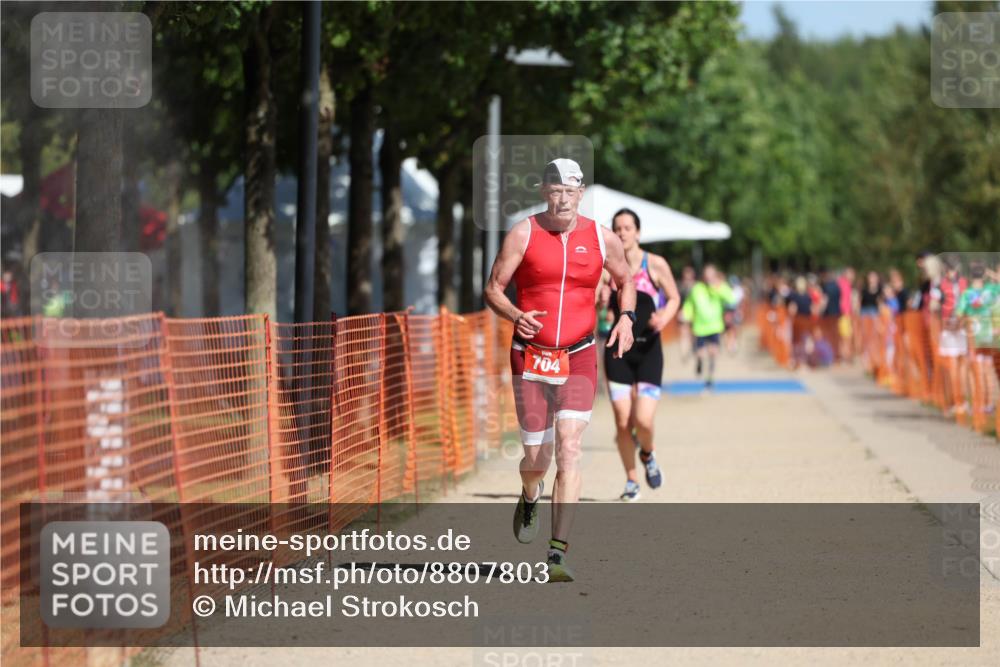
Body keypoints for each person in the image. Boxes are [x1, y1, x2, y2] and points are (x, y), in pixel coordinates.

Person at [484, 158, 635, 582]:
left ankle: (556, 554)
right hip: (530, 355)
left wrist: (626, 318)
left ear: (580, 193)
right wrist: (515, 314)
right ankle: (530, 493)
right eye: (555, 191)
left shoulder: (602, 238)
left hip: (579, 355)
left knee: (569, 448)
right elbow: (493, 288)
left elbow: (626, 281)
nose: (563, 199)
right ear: (544, 192)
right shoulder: (524, 233)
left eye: (570, 191)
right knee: (537, 458)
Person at [597, 208, 680, 502]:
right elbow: (594, 304)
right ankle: (631, 480)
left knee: (642, 421)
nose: (622, 233)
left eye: (627, 228)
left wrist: (664, 318)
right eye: (617, 228)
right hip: (618, 352)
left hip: (648, 351)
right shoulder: (605, 268)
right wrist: (602, 301)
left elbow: (674, 297)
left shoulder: (654, 264)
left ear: (638, 232)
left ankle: (647, 453)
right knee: (623, 421)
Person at [681, 264, 736, 391]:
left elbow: (731, 299)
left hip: (715, 327)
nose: (709, 278)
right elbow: (689, 304)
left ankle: (709, 379)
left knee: (713, 353)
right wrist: (685, 314)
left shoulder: (720, 287)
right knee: (700, 354)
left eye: (711, 275)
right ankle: (699, 362)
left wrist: (718, 289)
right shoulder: (697, 289)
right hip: (700, 327)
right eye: (707, 275)